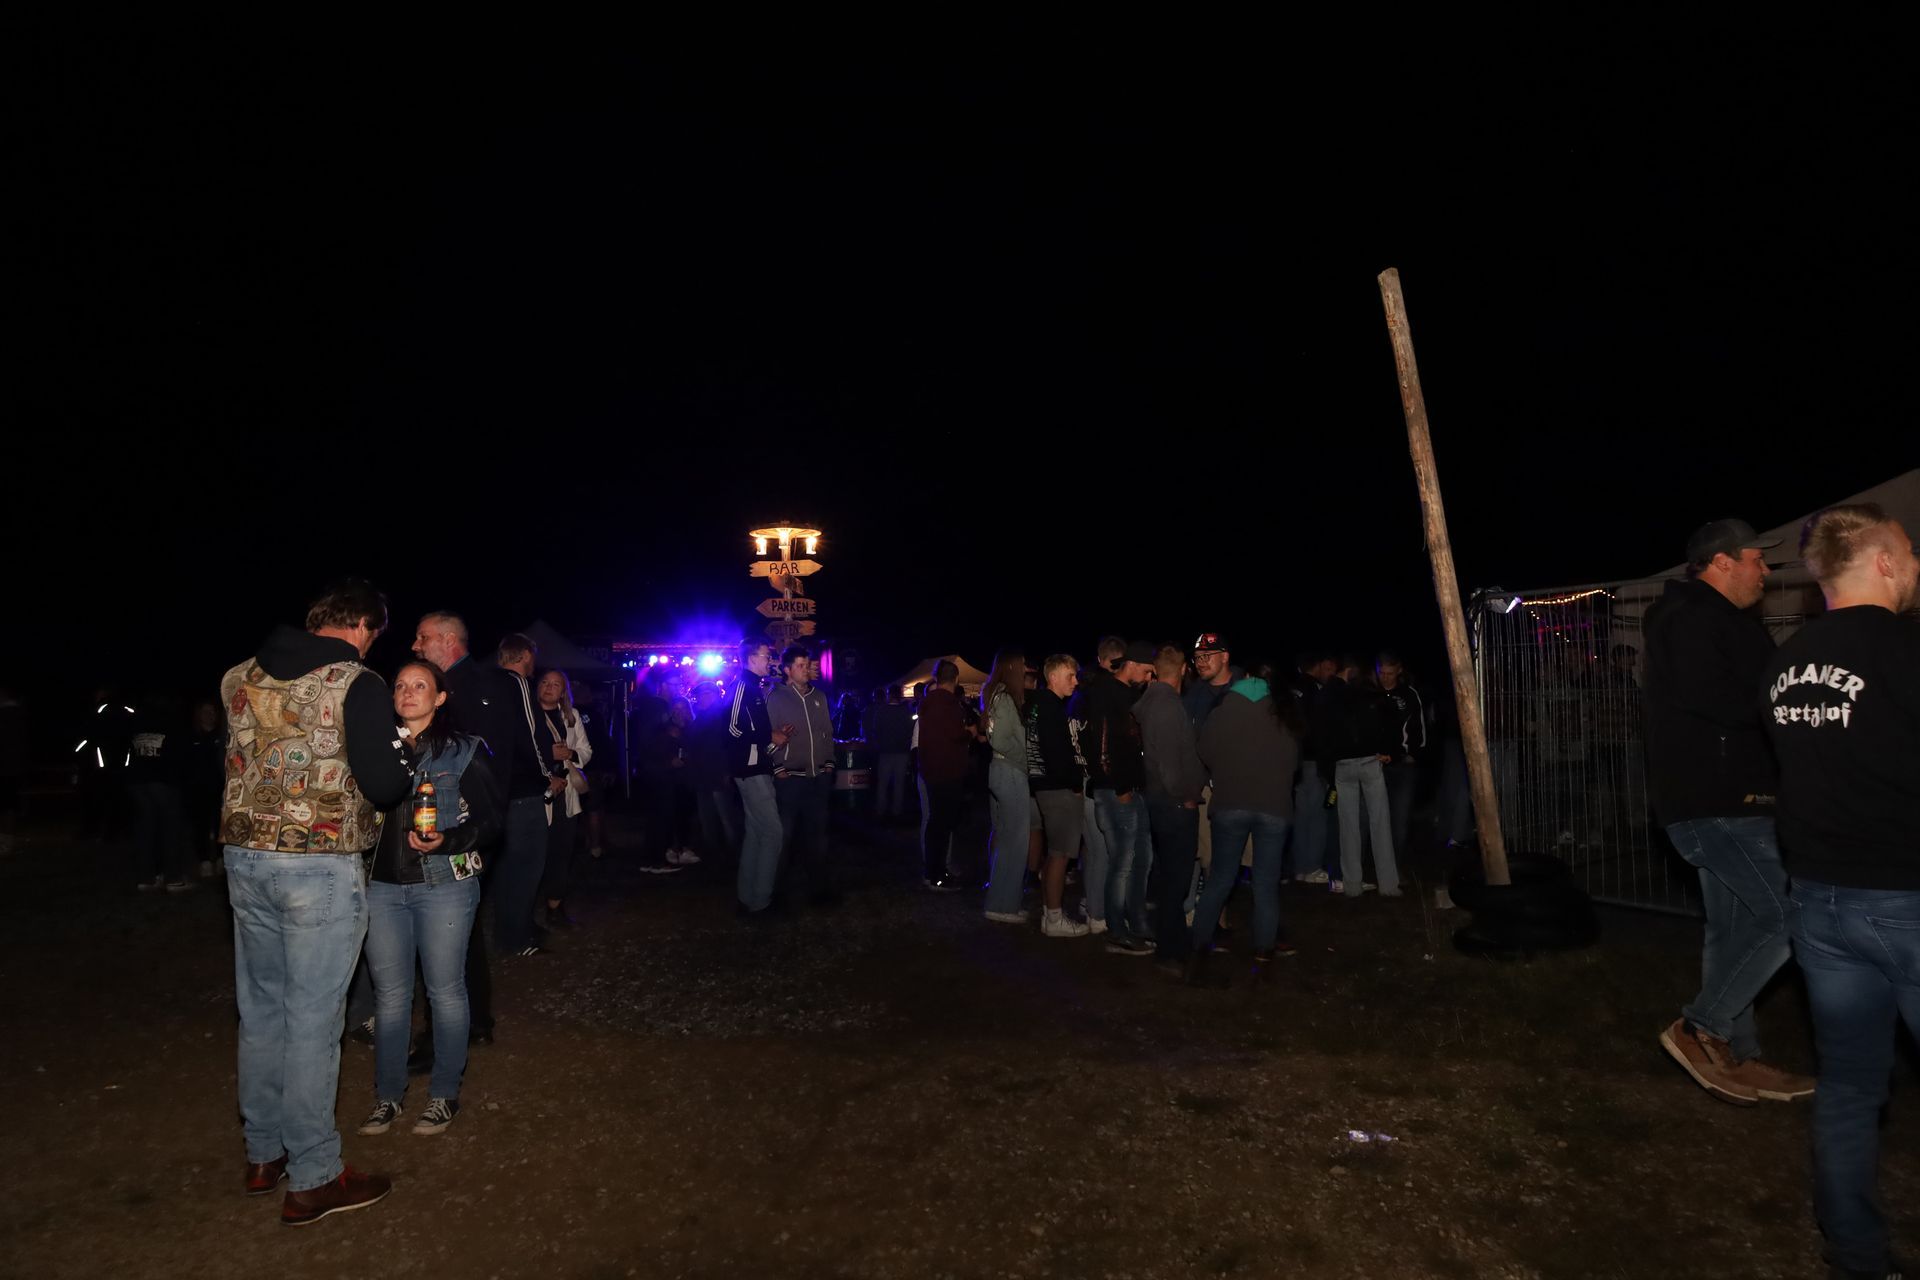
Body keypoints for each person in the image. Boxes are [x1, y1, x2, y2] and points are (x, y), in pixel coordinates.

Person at [1761, 504, 1920, 1279]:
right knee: (1854, 1085)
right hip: (1905, 898)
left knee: (1851, 1087)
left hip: (1820, 904)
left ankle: (1856, 1257)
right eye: (1911, 553)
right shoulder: (1905, 651)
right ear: (1884, 561)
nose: (1917, 567)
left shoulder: (1785, 662)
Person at [219, 578, 410, 1225]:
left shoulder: (238, 676)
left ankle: (264, 1152)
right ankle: (314, 1176)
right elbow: (384, 784)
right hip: (318, 864)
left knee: (261, 1011)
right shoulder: (357, 682)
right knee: (312, 1021)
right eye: (372, 634)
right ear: (361, 625)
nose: (369, 645)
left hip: (244, 857)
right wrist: (401, 755)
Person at [1645, 517, 1810, 1105]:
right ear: (1721, 562)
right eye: (1755, 559)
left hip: (1737, 799)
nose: (1765, 570)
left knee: (1735, 930)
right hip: (1717, 801)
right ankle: (1702, 1026)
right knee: (1789, 913)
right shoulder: (1690, 618)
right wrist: (1790, 708)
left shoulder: (1725, 621)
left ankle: (1736, 1055)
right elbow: (1714, 698)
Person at [356, 659, 500, 1141]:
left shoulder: (464, 750)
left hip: (444, 886)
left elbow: (492, 822)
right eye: (400, 685)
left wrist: (449, 840)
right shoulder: (375, 750)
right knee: (391, 997)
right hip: (381, 887)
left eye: (420, 685)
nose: (407, 692)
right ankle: (388, 1095)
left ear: (440, 698)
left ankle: (443, 1093)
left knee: (446, 991)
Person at [1192, 671, 1304, 984]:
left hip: (1231, 804)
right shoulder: (1283, 714)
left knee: (1220, 880)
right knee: (1265, 884)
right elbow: (1294, 762)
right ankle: (1263, 958)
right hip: (1274, 808)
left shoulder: (1221, 712)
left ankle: (1198, 952)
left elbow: (1204, 752)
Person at [1075, 637, 1155, 956]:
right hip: (1114, 791)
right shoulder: (1106, 692)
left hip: (1133, 790)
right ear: (1131, 665)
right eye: (1147, 671)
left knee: (1143, 858)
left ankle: (1138, 923)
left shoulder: (1130, 693)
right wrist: (1119, 787)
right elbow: (1101, 747)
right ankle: (1117, 931)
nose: (1149, 678)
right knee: (1121, 862)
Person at [492, 634, 567, 956]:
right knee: (525, 868)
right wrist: (546, 776)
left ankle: (514, 929)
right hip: (523, 792)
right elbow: (530, 738)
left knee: (508, 868)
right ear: (525, 656)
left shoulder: (488, 684)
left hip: (501, 792)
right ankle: (517, 938)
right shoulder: (517, 683)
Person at [1136, 644, 1206, 966]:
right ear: (1183, 670)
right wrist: (1185, 796)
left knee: (1172, 876)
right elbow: (1168, 766)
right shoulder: (1165, 706)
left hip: (1164, 800)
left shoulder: (1158, 701)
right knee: (1176, 879)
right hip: (1173, 803)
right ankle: (1170, 947)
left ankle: (1174, 939)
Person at [1314, 654, 1402, 899]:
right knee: (1380, 822)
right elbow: (1390, 721)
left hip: (1343, 765)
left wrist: (1328, 768)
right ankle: (1388, 884)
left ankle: (1352, 885)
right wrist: (1389, 751)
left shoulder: (1331, 696)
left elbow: (1322, 734)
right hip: (1369, 761)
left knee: (1348, 826)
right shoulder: (1370, 694)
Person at [1024, 655, 1091, 938]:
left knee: (1056, 854)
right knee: (1060, 855)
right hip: (1057, 789)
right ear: (1053, 677)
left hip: (1044, 787)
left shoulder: (1037, 704)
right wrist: (1075, 783)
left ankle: (1049, 915)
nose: (1075, 682)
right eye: (1069, 676)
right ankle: (1054, 918)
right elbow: (1057, 755)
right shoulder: (1050, 707)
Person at [766, 645, 837, 906]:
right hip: (790, 780)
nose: (806, 670)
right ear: (787, 670)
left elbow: (827, 732)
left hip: (818, 777)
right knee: (784, 836)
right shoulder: (776, 698)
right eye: (800, 666)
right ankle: (775, 891)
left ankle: (819, 890)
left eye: (807, 665)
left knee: (817, 836)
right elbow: (768, 735)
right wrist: (778, 767)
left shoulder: (819, 696)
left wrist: (829, 762)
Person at [727, 640, 790, 918]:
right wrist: (768, 736)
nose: (770, 660)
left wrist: (775, 741)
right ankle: (761, 901)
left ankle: (748, 897)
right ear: (752, 658)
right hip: (750, 772)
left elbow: (754, 740)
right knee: (773, 833)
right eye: (766, 655)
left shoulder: (754, 688)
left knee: (756, 833)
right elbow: (732, 729)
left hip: (756, 769)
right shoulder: (742, 686)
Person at [534, 670, 593, 928]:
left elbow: (586, 750)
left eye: (556, 684)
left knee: (561, 852)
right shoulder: (528, 715)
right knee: (535, 854)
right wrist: (549, 756)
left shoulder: (571, 716)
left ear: (563, 692)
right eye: (545, 682)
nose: (549, 687)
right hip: (535, 794)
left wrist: (569, 754)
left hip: (564, 795)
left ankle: (555, 907)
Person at [980, 647, 1033, 923]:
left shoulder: (997, 695)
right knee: (1016, 841)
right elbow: (1000, 740)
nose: (1025, 669)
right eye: (1022, 664)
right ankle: (1003, 906)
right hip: (1009, 772)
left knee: (1007, 839)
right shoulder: (1004, 697)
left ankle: (1001, 902)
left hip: (1004, 770)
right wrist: (1023, 759)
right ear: (1011, 666)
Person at [127, 692, 193, 892]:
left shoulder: (137, 721)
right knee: (170, 830)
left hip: (138, 781)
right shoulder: (172, 720)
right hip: (164, 781)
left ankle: (147, 878)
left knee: (146, 830)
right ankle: (173, 878)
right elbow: (181, 752)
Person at [916, 659, 971, 891]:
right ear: (956, 679)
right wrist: (969, 732)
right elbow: (955, 734)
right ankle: (936, 874)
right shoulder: (947, 704)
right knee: (942, 824)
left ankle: (935, 870)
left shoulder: (928, 702)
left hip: (932, 769)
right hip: (947, 771)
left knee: (937, 823)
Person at [1286, 651, 1339, 885]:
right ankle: (1313, 867)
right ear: (1317, 666)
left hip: (1294, 762)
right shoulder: (1316, 690)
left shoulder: (1290, 690)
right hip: (1313, 762)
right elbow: (1321, 728)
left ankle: (1299, 867)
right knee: (1317, 816)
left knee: (1300, 816)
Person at [1374, 652, 1427, 867]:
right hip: (1374, 765)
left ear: (1399, 671)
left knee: (1400, 819)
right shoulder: (1370, 692)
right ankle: (1376, 865)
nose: (1385, 678)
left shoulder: (1409, 694)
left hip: (1402, 767)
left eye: (1390, 673)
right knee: (1376, 818)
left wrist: (1412, 754)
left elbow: (1419, 729)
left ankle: (1394, 867)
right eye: (1382, 673)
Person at [687, 681, 738, 860]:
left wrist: (726, 772)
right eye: (700, 695)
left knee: (726, 818)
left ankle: (733, 856)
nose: (701, 698)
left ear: (715, 696)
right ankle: (714, 855)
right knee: (708, 819)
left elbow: (728, 747)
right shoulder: (701, 718)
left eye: (705, 694)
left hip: (717, 776)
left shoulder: (722, 717)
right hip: (703, 777)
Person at [868, 687, 914, 820]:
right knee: (899, 783)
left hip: (885, 752)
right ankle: (897, 811)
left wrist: (880, 745)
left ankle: (881, 809)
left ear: (889, 695)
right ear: (899, 695)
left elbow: (875, 731)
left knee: (883, 783)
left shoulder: (881, 711)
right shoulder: (906, 711)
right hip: (902, 752)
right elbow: (910, 731)